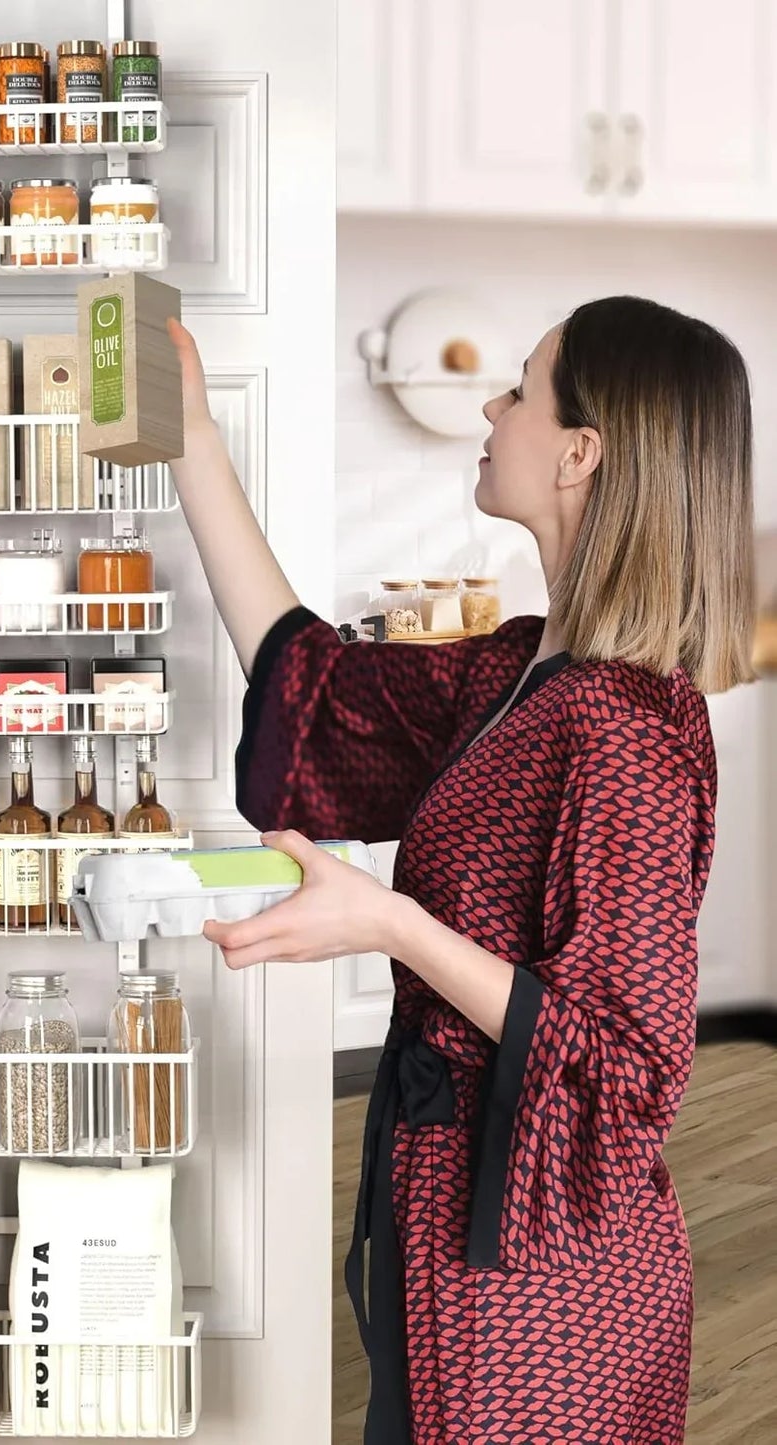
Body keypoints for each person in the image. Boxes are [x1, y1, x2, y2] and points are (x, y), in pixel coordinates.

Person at [168, 297, 754, 1445]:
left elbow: (627, 1063)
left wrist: (389, 925)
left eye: (521, 389)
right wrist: (189, 429)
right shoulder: (518, 665)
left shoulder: (624, 728)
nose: (491, 407)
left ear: (580, 451)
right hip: (449, 1206)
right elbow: (315, 689)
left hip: (544, 1270)